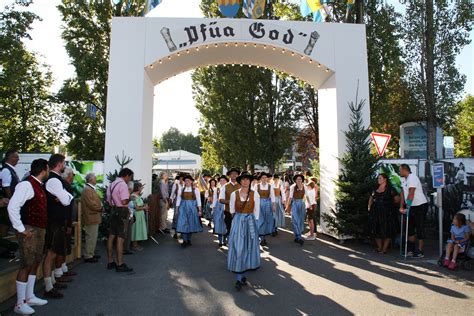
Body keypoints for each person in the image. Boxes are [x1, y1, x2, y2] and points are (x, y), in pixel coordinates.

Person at [7, 159, 49, 315]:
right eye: (48, 168)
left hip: (38, 229)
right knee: (26, 264)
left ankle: (29, 296)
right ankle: (19, 303)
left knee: (35, 261)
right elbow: (13, 206)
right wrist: (20, 228)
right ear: (44, 169)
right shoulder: (26, 184)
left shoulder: (37, 184)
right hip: (30, 230)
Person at [43, 154, 74, 299]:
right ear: (59, 164)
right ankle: (48, 287)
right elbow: (66, 200)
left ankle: (52, 282)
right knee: (51, 253)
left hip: (57, 221)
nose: (64, 165)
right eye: (63, 163)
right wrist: (64, 197)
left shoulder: (55, 179)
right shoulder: (54, 180)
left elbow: (65, 199)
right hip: (54, 221)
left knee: (54, 252)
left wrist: (64, 197)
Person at [227, 172, 260, 291]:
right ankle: (239, 277)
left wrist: (254, 226)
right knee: (238, 247)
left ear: (250, 181)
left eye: (248, 180)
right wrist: (237, 222)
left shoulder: (255, 194)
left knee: (249, 247)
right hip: (238, 221)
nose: (245, 181)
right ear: (240, 181)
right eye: (243, 179)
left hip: (250, 221)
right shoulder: (233, 194)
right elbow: (231, 210)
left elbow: (257, 211)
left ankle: (243, 273)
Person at [106, 168, 134, 272]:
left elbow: (108, 199)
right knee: (120, 238)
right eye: (129, 177)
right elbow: (124, 201)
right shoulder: (123, 185)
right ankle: (120, 264)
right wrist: (130, 198)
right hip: (122, 211)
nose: (129, 179)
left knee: (111, 236)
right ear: (126, 175)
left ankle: (110, 261)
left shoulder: (112, 184)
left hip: (113, 210)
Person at [399, 164, 428, 258]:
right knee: (409, 228)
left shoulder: (412, 178)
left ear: (404, 170)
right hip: (411, 206)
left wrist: (407, 206)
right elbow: (403, 193)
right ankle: (410, 250)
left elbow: (411, 193)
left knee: (420, 227)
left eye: (400, 170)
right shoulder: (403, 179)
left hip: (420, 205)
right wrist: (401, 206)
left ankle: (420, 251)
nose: (399, 172)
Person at [368, 174, 398, 253]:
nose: (378, 179)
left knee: (387, 230)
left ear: (385, 179)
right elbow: (371, 198)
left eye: (380, 178)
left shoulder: (390, 189)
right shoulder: (375, 189)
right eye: (378, 178)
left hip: (387, 213)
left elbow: (397, 199)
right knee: (376, 229)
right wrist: (369, 207)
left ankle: (384, 248)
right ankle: (379, 247)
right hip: (376, 211)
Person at [176, 174, 202, 248]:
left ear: (191, 181)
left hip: (192, 208)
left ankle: (189, 239)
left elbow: (198, 200)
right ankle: (184, 240)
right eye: (185, 180)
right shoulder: (181, 189)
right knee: (184, 223)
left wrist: (199, 210)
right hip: (183, 208)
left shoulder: (195, 190)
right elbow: (178, 199)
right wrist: (177, 209)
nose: (187, 182)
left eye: (188, 180)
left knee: (191, 223)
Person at [81, 173, 103, 263]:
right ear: (90, 179)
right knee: (91, 236)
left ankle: (91, 253)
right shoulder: (87, 190)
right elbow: (91, 203)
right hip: (91, 216)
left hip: (93, 216)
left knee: (93, 236)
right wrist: (100, 208)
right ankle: (88, 255)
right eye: (95, 178)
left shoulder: (89, 189)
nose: (96, 179)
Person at [219, 168, 241, 245]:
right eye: (232, 174)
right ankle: (230, 243)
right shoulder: (225, 186)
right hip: (228, 211)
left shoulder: (241, 185)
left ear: (238, 175)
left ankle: (237, 243)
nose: (234, 175)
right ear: (229, 175)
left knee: (239, 229)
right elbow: (221, 200)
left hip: (240, 212)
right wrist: (230, 202)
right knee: (230, 228)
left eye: (236, 173)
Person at [1, 149, 20, 237]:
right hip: (6, 203)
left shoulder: (10, 170)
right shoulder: (6, 170)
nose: (18, 159)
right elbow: (6, 187)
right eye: (16, 157)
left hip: (9, 202)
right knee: (5, 224)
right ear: (10, 158)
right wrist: (12, 200)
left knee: (7, 224)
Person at [286, 174, 307, 246]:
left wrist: (309, 204)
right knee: (295, 220)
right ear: (295, 180)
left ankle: (297, 236)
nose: (299, 180)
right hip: (295, 203)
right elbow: (290, 197)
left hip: (301, 203)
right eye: (298, 179)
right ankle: (298, 236)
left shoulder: (305, 186)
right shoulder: (292, 187)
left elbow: (306, 196)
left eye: (300, 179)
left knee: (301, 220)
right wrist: (287, 206)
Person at [256, 173, 275, 247]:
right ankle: (261, 237)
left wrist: (273, 205)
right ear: (260, 179)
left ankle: (263, 237)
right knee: (260, 220)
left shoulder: (270, 186)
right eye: (263, 177)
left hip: (267, 204)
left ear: (267, 178)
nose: (264, 179)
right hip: (259, 204)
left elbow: (273, 196)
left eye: (265, 177)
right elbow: (254, 196)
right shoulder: (257, 186)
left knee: (267, 220)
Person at [130, 181, 149, 251]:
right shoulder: (133, 196)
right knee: (136, 230)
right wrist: (144, 207)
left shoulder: (137, 195)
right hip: (136, 215)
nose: (142, 189)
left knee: (138, 229)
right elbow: (136, 207)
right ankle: (134, 246)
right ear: (138, 188)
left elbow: (139, 205)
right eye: (141, 187)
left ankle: (136, 244)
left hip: (140, 215)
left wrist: (144, 206)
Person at [214, 175, 228, 247]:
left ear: (226, 181)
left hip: (226, 205)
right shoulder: (217, 189)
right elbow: (215, 198)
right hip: (218, 206)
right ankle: (220, 241)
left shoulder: (228, 188)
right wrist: (213, 207)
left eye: (224, 180)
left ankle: (225, 240)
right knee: (219, 223)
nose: (222, 181)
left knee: (226, 223)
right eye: (221, 180)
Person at [170, 173, 184, 239]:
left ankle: (181, 231)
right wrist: (171, 200)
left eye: (182, 178)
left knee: (183, 216)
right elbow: (172, 193)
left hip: (184, 202)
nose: (181, 180)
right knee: (176, 216)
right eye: (180, 178)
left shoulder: (185, 185)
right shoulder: (176, 185)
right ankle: (175, 231)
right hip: (176, 201)